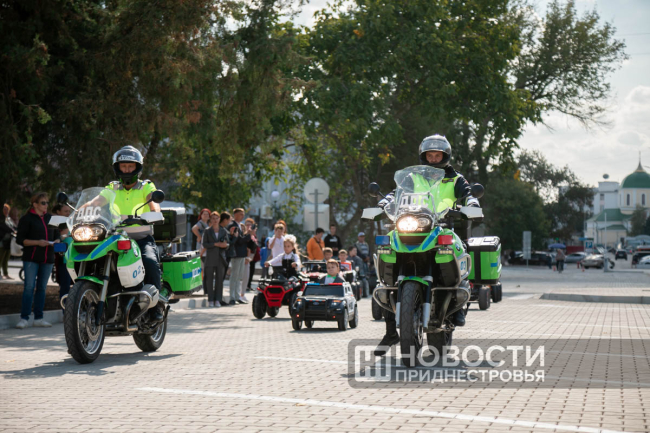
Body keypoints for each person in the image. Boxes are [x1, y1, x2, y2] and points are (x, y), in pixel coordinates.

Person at [374, 134, 480, 356]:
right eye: (429, 155)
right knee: (388, 251)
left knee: (458, 248)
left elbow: (468, 194)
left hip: (444, 225)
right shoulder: (413, 177)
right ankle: (391, 330)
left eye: (437, 155)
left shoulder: (455, 179)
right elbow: (396, 193)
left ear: (445, 156)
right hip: (412, 225)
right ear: (423, 156)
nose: (433, 159)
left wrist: (471, 202)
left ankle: (458, 304)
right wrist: (384, 202)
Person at [82, 145, 165, 322]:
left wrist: (155, 212)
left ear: (137, 168)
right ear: (117, 168)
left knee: (150, 261)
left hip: (141, 238)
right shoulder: (113, 187)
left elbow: (153, 202)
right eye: (123, 166)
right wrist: (79, 212)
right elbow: (96, 202)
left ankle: (156, 306)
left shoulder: (146, 186)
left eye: (130, 166)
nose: (127, 170)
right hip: (116, 239)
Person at [15, 193, 61, 329]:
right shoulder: (26, 219)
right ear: (35, 204)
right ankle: (24, 318)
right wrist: (37, 242)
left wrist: (57, 241)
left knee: (42, 288)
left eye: (47, 202)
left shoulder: (51, 218)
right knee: (29, 288)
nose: (46, 205)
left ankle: (38, 318)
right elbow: (20, 239)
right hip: (31, 258)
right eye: (43, 203)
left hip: (48, 258)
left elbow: (57, 235)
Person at [203, 212, 231, 307]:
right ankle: (211, 299)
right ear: (210, 219)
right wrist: (215, 244)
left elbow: (227, 244)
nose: (215, 220)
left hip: (220, 258)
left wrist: (225, 245)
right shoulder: (207, 231)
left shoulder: (224, 231)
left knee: (219, 280)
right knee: (209, 280)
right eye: (213, 218)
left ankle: (218, 299)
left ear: (219, 219)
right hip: (210, 257)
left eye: (217, 218)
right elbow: (205, 244)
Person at [51, 203, 73, 307]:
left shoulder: (70, 221)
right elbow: (58, 237)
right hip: (64, 260)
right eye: (65, 211)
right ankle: (65, 311)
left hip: (74, 259)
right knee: (65, 287)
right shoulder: (56, 222)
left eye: (69, 211)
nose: (68, 213)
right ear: (58, 212)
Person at [227, 208, 251, 305]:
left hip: (241, 254)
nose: (243, 216)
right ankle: (232, 297)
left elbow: (241, 239)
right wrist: (248, 235)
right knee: (234, 275)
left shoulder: (239, 225)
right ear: (235, 214)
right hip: (236, 254)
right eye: (241, 214)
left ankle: (237, 296)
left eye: (243, 214)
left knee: (239, 276)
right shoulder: (233, 225)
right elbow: (239, 240)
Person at [0, 204, 16, 280]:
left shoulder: (9, 219)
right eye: (4, 209)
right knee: (1, 258)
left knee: (6, 259)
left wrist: (16, 230)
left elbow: (13, 227)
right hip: (2, 241)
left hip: (9, 241)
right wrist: (13, 231)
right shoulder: (1, 219)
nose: (6, 211)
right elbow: (5, 227)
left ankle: (6, 274)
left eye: (7, 209)